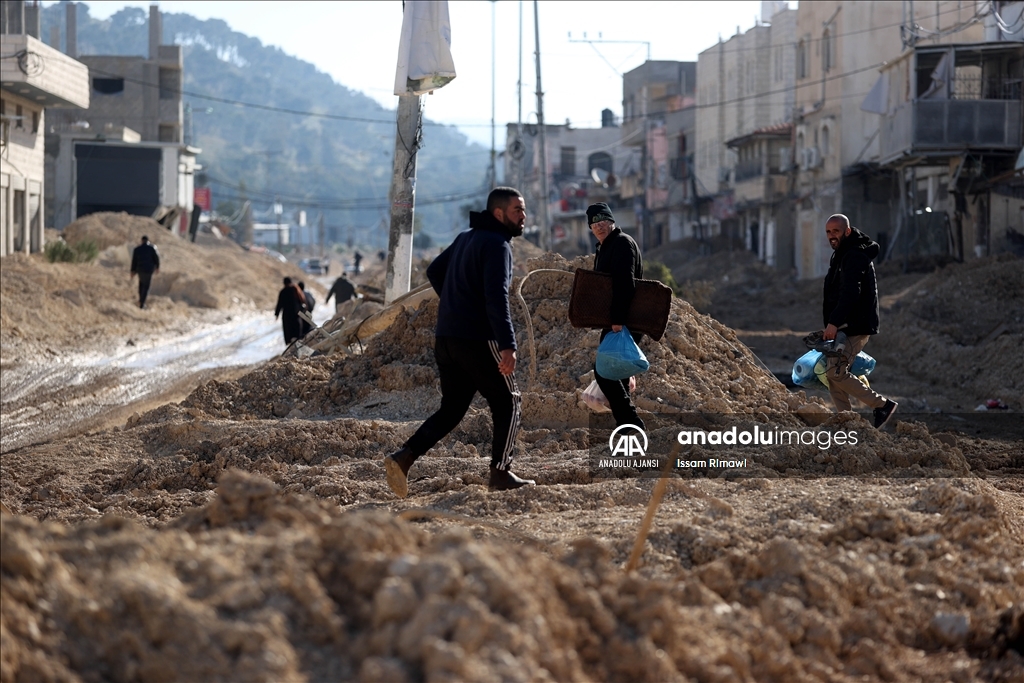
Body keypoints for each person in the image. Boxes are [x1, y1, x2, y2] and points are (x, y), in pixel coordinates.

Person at [384, 187, 535, 497]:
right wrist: (508, 345)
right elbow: (496, 299)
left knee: (452, 409)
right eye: (518, 210)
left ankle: (404, 457)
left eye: (523, 211)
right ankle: (501, 473)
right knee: (509, 401)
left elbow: (434, 271)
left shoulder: (467, 237)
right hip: (478, 339)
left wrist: (457, 304)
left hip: (447, 338)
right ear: (499, 214)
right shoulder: (498, 246)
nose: (523, 216)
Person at [821, 214, 898, 428]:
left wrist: (834, 322)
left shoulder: (854, 255)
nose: (831, 236)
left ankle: (882, 405)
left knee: (835, 371)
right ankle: (846, 420)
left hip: (855, 325)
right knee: (833, 372)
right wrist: (831, 324)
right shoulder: (841, 254)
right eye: (828, 232)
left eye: (836, 231)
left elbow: (850, 293)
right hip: (843, 326)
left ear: (847, 231)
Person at [588, 203, 646, 431]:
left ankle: (631, 422)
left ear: (612, 221)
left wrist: (617, 320)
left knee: (604, 370)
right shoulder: (606, 246)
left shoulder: (621, 244)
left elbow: (625, 284)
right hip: (620, 318)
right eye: (594, 224)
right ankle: (628, 428)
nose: (599, 227)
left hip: (624, 319)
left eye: (603, 222)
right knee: (617, 373)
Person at [129, 235, 160, 309]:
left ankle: (140, 301)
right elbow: (157, 258)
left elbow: (134, 261)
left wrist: (132, 271)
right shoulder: (152, 248)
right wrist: (157, 267)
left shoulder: (137, 249)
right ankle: (142, 303)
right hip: (149, 270)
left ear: (141, 240)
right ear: (148, 241)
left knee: (141, 285)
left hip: (140, 270)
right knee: (146, 287)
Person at [274, 276, 306, 345]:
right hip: (296, 315)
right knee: (297, 334)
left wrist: (277, 314)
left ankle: (291, 348)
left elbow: (279, 304)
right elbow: (302, 301)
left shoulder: (283, 291)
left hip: (287, 316)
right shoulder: (295, 289)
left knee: (289, 334)